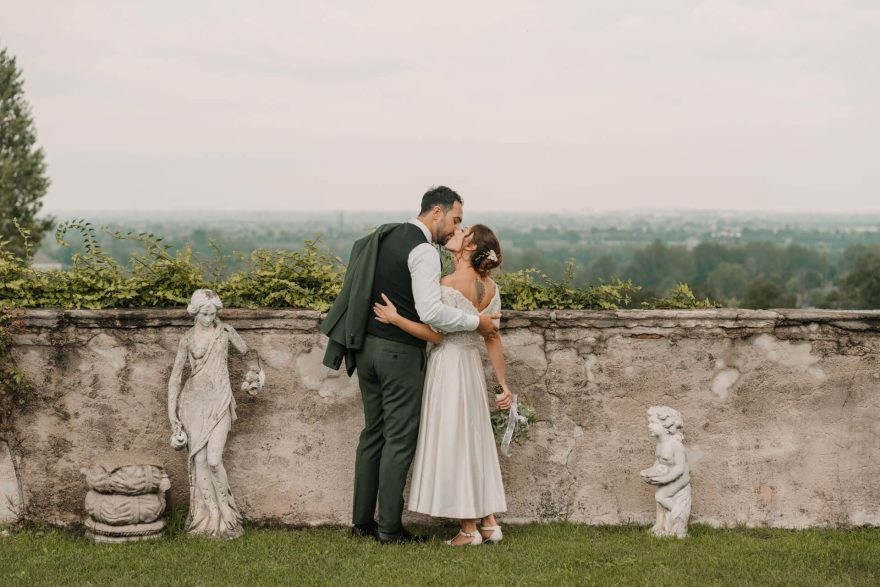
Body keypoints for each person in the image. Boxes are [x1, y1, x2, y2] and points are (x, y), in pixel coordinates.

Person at [320, 186, 499, 543]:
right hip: (398, 354)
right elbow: (431, 311)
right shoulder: (424, 251)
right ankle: (388, 528)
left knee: (373, 433)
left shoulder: (384, 237)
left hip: (366, 349)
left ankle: (361, 523)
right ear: (437, 212)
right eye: (455, 219)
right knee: (399, 439)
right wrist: (475, 323)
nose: (455, 229)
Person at [373, 224, 512, 546]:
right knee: (475, 441)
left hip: (448, 366)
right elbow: (492, 337)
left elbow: (436, 334)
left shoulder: (448, 285)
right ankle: (489, 523)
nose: (457, 230)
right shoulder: (491, 287)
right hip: (473, 368)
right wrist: (503, 386)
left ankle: (467, 530)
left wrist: (397, 319)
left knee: (454, 441)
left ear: (469, 247)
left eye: (465, 231)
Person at [168, 289, 261, 538]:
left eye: (212, 313)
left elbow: (250, 354)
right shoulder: (187, 339)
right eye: (204, 313)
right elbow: (176, 377)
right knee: (199, 462)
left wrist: (255, 378)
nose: (209, 317)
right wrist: (172, 416)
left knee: (213, 460)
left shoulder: (225, 332)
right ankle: (210, 517)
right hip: (193, 404)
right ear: (195, 312)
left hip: (220, 401)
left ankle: (226, 513)